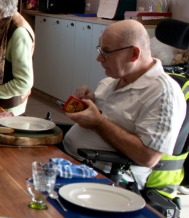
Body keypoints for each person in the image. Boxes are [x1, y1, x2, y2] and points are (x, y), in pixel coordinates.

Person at [63, 20, 186, 189]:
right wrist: (89, 102)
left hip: (103, 177)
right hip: (70, 159)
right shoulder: (112, 80)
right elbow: (111, 115)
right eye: (100, 50)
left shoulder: (163, 94)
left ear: (134, 54)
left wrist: (98, 123)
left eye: (106, 52)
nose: (99, 58)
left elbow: (148, 157)